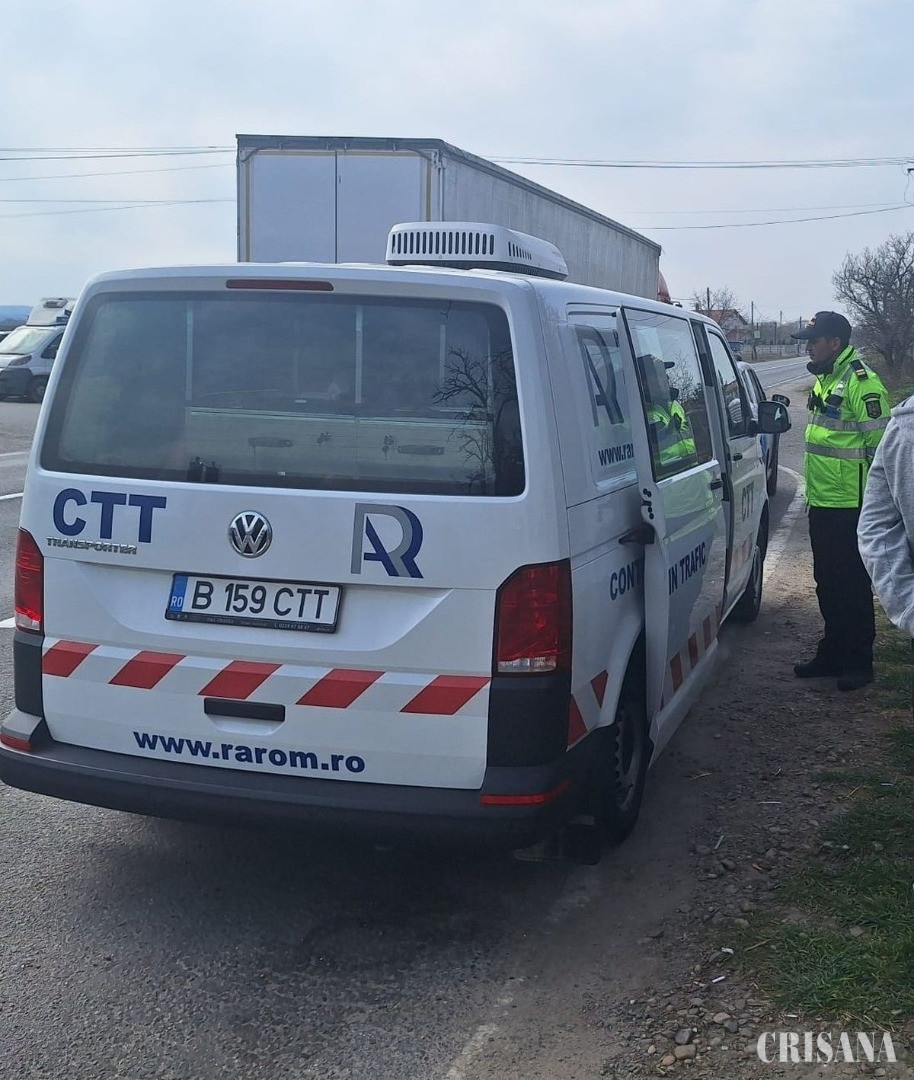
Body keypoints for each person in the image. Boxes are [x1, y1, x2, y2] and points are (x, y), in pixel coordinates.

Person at [791, 311, 889, 691]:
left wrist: (875, 506)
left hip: (851, 505)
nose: (809, 348)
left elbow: (882, 450)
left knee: (851, 585)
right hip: (823, 501)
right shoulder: (827, 378)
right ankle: (832, 653)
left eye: (814, 341)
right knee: (827, 582)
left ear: (835, 343)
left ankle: (859, 662)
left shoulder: (862, 383)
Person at [857, 402, 914, 641]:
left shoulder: (904, 428)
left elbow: (876, 527)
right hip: (829, 498)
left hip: (848, 496)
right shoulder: (904, 427)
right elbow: (878, 528)